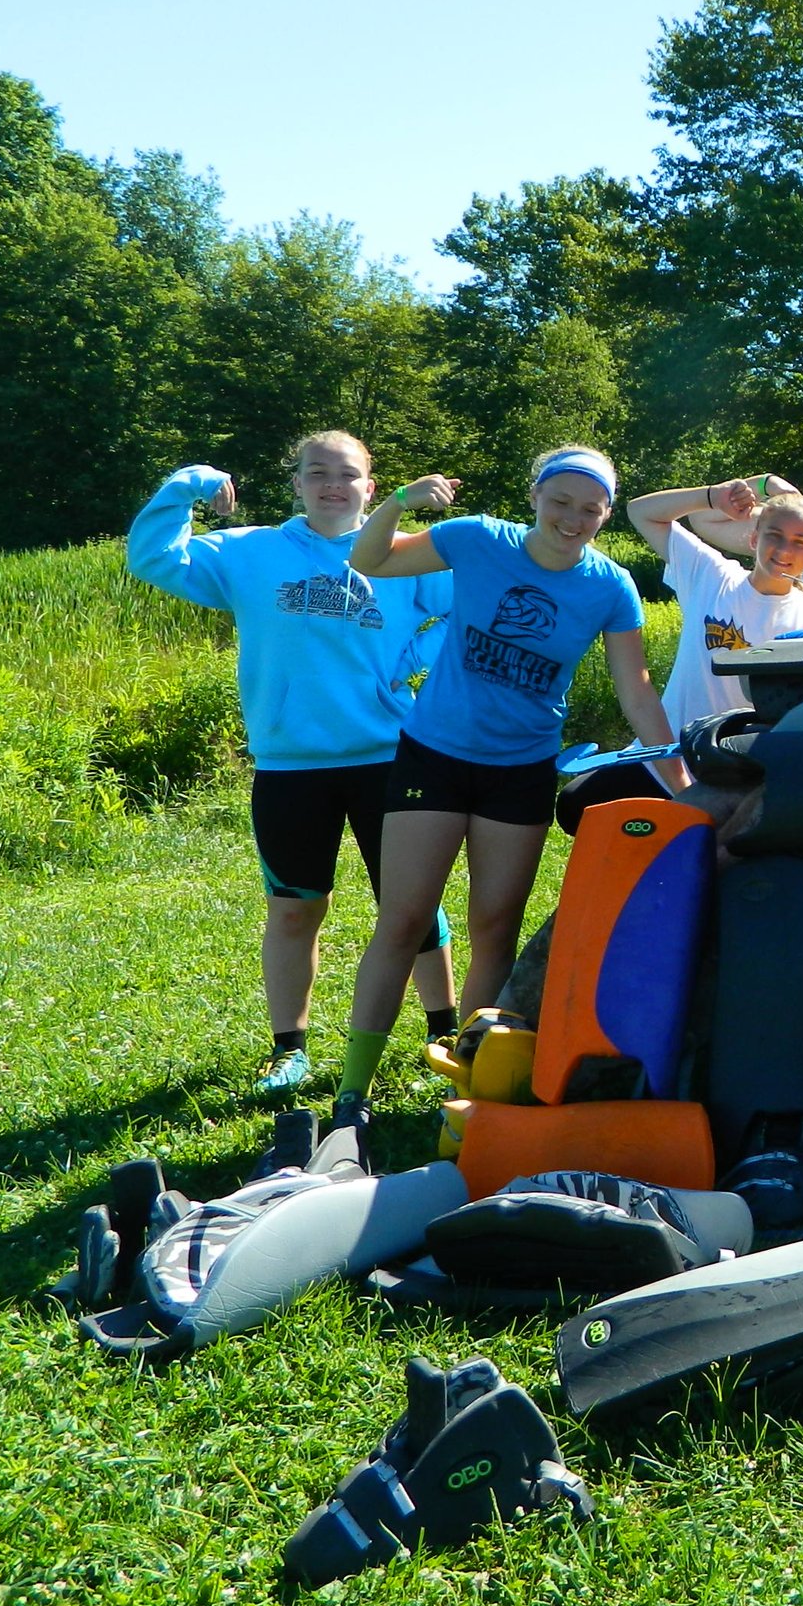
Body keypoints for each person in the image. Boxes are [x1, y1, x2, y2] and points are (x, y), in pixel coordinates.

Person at [333, 446, 678, 1129]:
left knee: (495, 926)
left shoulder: (610, 586)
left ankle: (469, 1083)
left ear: (605, 514)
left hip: (520, 769)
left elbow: (635, 689)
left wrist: (681, 777)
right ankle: (351, 1094)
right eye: (562, 502)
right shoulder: (477, 539)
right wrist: (400, 499)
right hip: (434, 753)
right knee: (402, 920)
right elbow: (368, 560)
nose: (573, 519)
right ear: (535, 495)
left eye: (590, 509)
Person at [125, 433, 457, 1095]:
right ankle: (289, 1049)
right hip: (289, 765)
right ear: (297, 483)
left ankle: (443, 1033)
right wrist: (191, 481)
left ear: (370, 486)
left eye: (348, 474)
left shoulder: (402, 554)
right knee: (296, 908)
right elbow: (152, 557)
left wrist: (415, 664)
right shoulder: (251, 552)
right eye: (317, 473)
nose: (332, 485)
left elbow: (465, 611)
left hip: (388, 758)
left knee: (412, 903)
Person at [625, 475, 803, 731]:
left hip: (736, 763)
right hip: (665, 757)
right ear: (754, 539)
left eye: (800, 542)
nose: (784, 550)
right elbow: (640, 511)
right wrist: (714, 495)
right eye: (774, 535)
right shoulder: (711, 575)